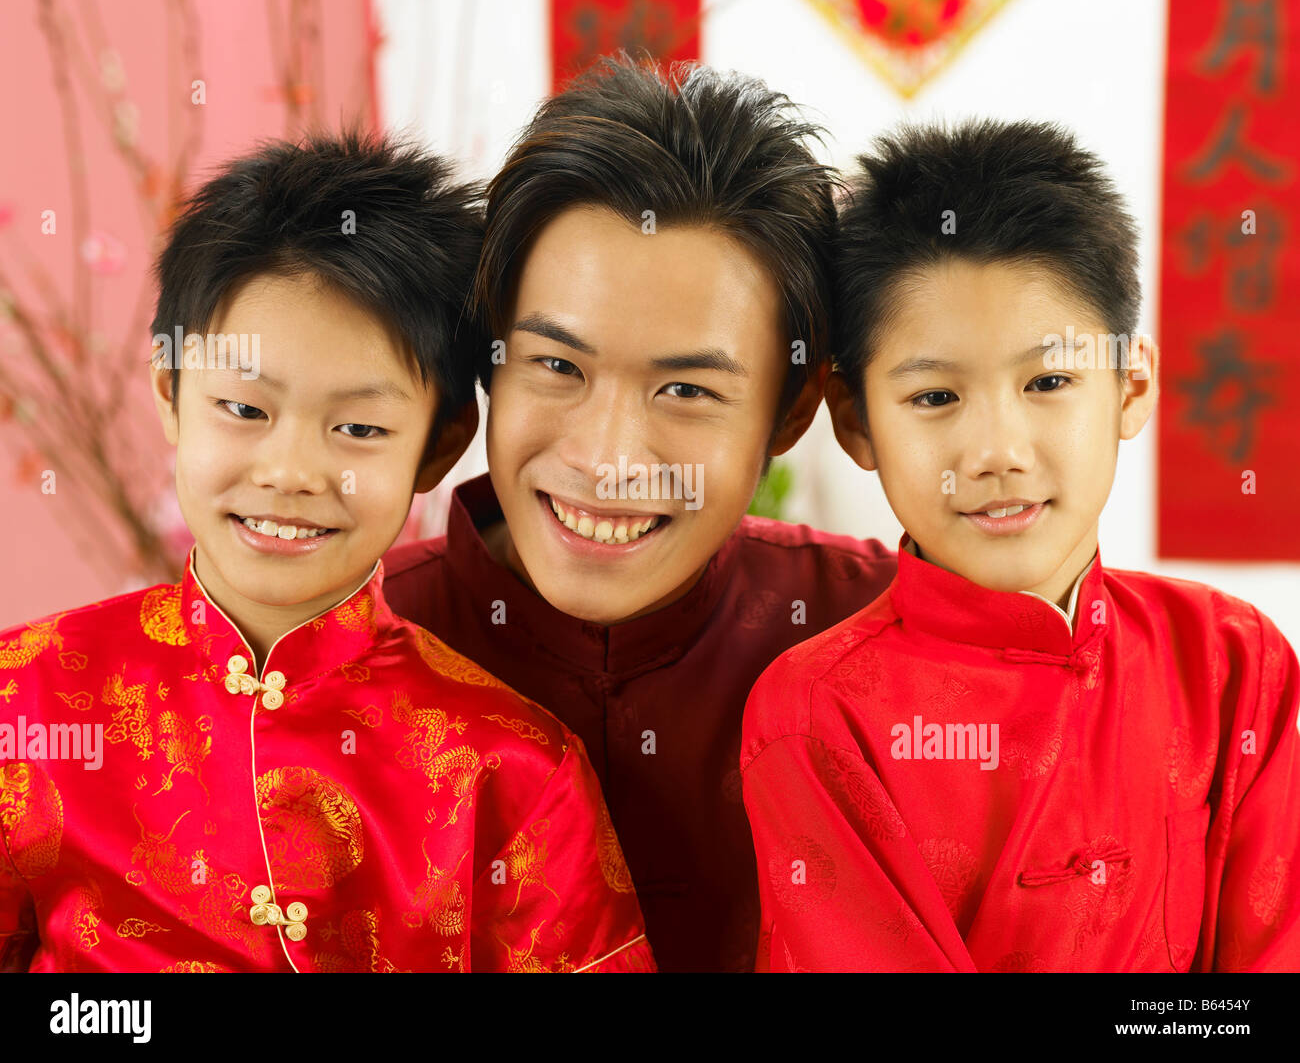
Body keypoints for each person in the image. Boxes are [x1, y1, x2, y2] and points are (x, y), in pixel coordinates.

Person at [0, 131, 652, 973]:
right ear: (170, 392)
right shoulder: (28, 695)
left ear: (440, 445)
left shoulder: (513, 769)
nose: (291, 472)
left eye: (358, 428)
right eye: (244, 409)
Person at [742, 119, 1300, 972]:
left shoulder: (1234, 666)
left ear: (1130, 385)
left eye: (1048, 381)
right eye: (934, 396)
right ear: (855, 421)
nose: (997, 451)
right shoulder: (817, 717)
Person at [382, 56, 897, 972]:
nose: (609, 459)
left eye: (688, 388)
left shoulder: (883, 639)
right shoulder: (342, 644)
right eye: (557, 367)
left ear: (791, 412)